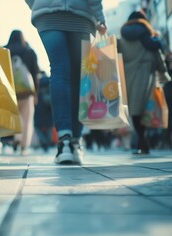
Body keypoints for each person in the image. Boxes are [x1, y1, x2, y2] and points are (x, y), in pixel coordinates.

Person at [25, 0, 107, 164]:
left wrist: (38, 4)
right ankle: (75, 141)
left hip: (47, 13)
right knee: (78, 77)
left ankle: (64, 141)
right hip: (80, 13)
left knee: (59, 71)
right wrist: (100, 17)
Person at [119, 11, 170, 155]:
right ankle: (143, 140)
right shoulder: (148, 35)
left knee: (134, 111)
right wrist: (163, 72)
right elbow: (157, 55)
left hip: (128, 78)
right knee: (145, 109)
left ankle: (141, 140)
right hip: (147, 78)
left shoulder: (122, 38)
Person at [5, 30, 40, 155]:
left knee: (14, 116)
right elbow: (36, 73)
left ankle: (16, 139)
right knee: (27, 118)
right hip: (27, 92)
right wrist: (36, 92)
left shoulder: (5, 50)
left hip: (9, 91)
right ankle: (24, 146)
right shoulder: (29, 52)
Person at [34, 71, 53, 153]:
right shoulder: (50, 81)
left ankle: (43, 141)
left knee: (37, 127)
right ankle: (47, 143)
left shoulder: (37, 82)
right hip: (48, 110)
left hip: (38, 108)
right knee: (49, 128)